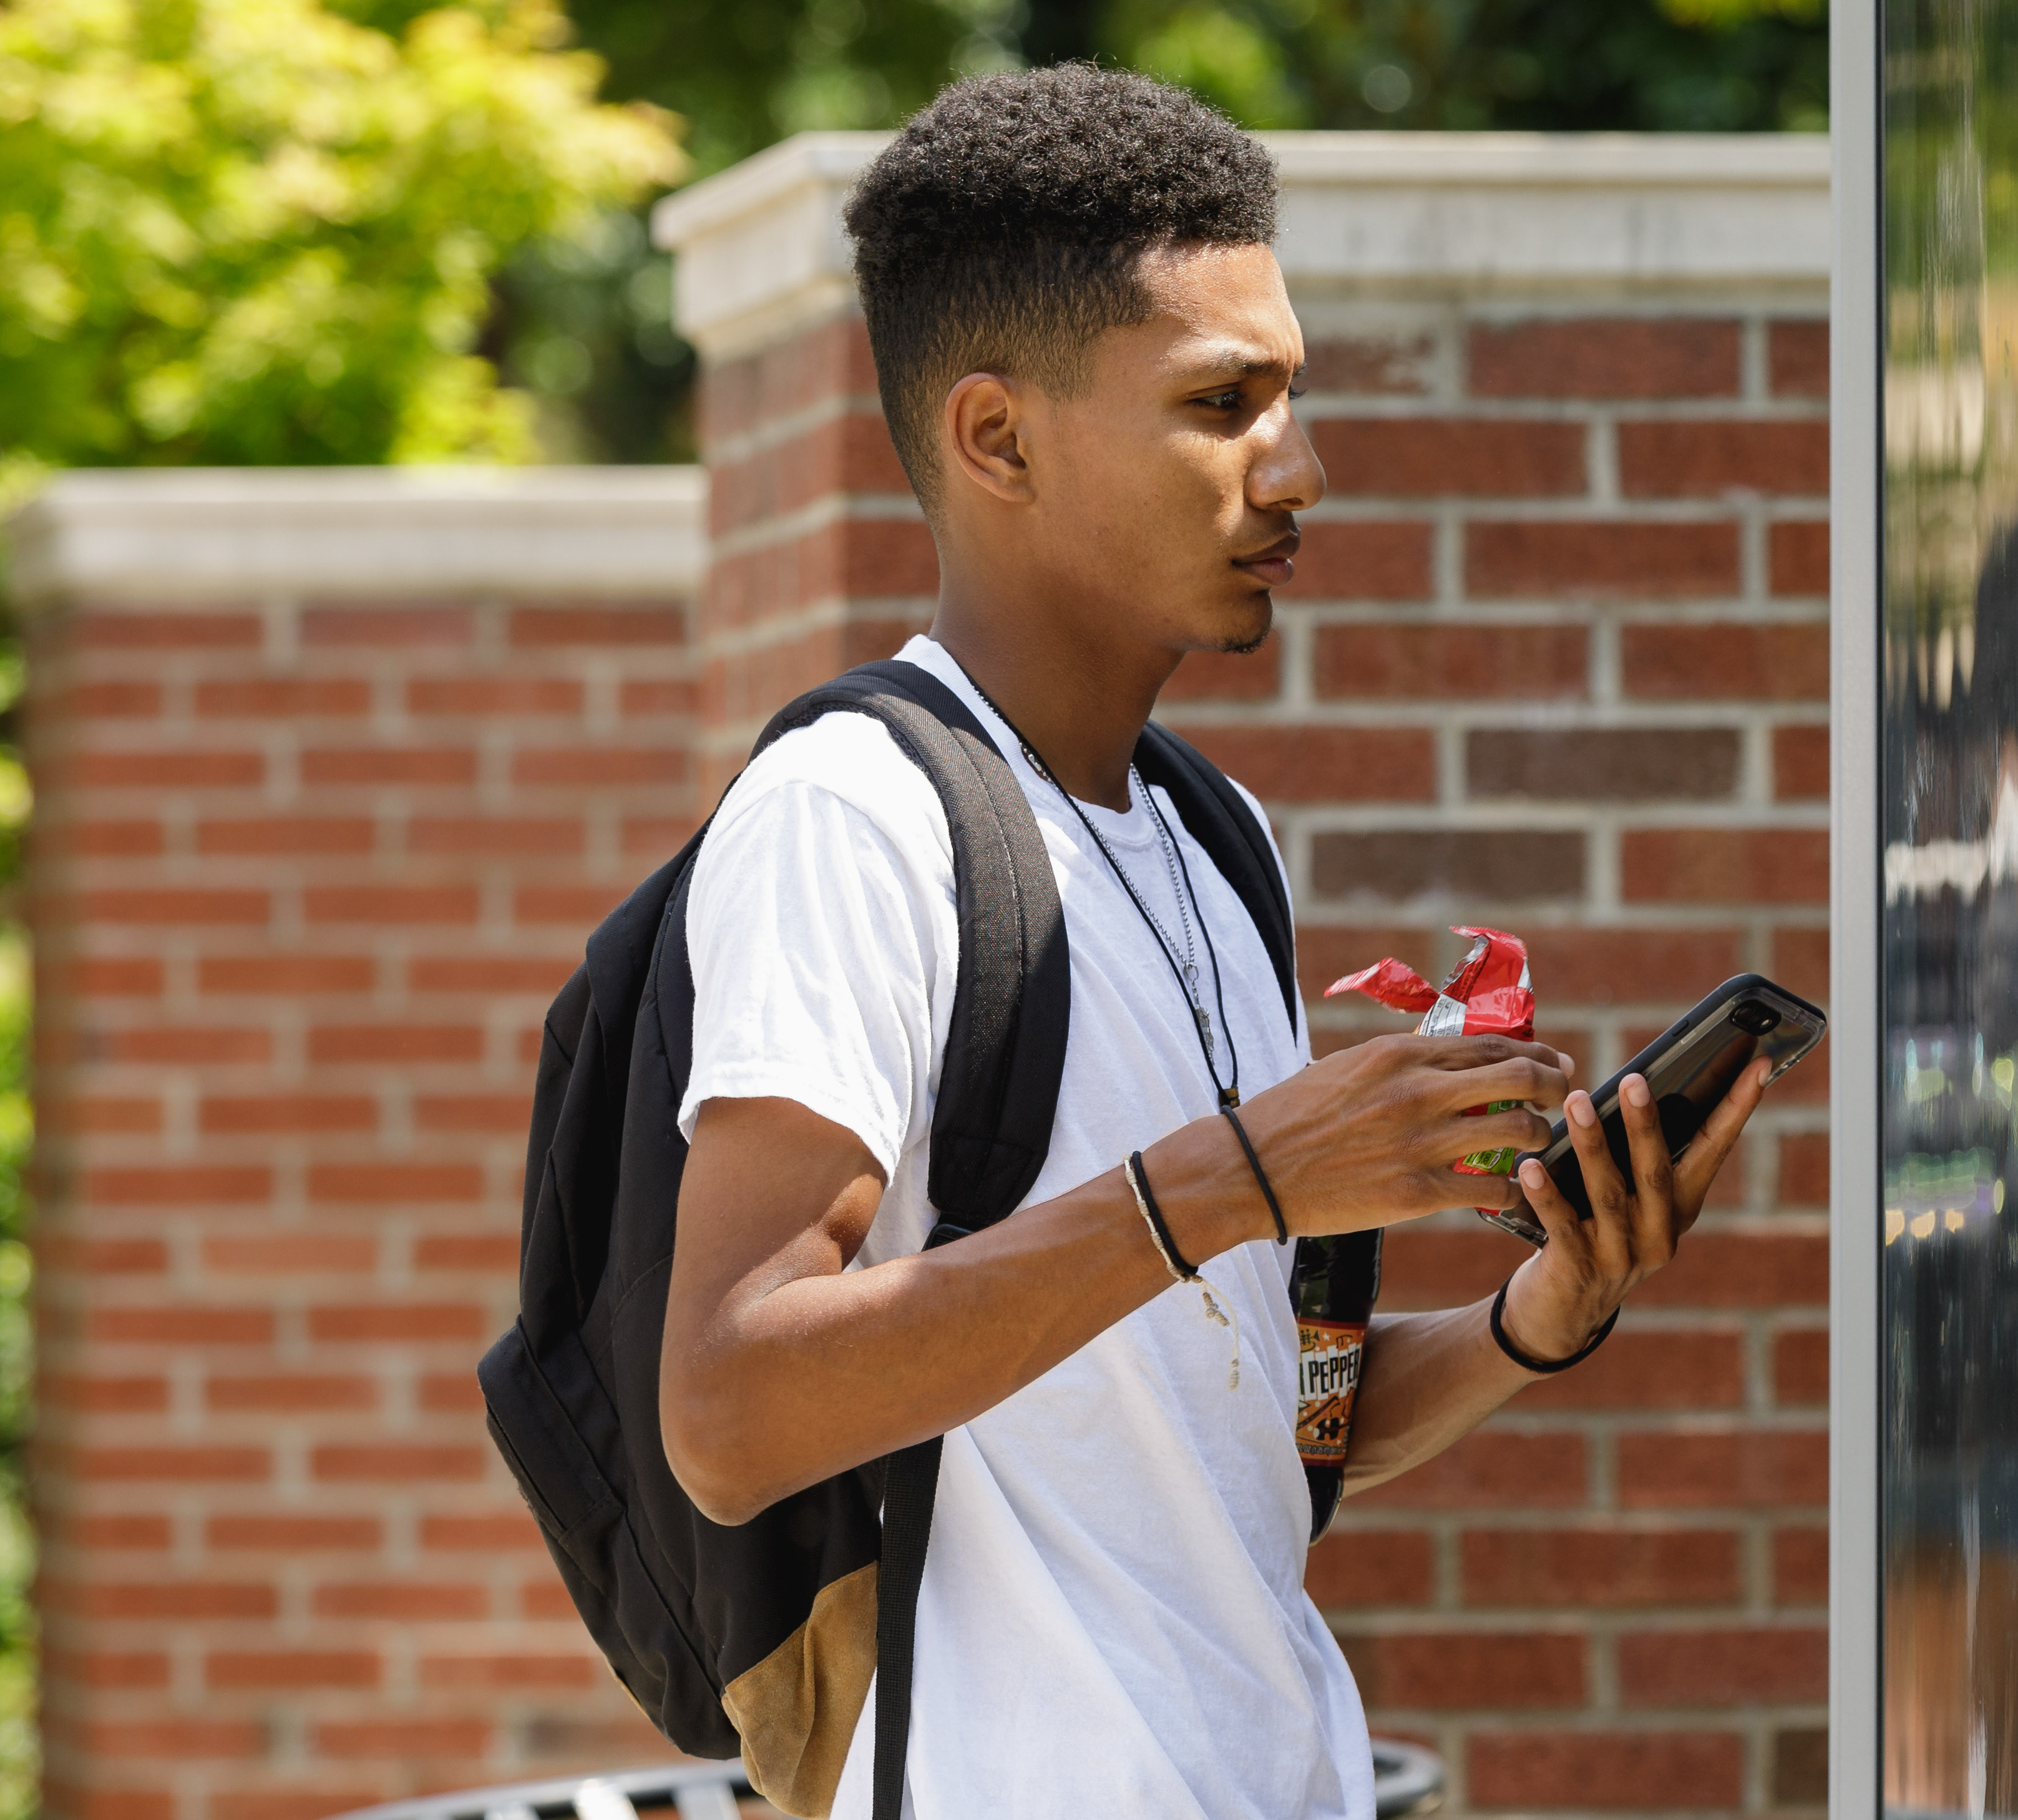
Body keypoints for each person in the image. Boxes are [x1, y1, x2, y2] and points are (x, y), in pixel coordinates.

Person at [651, 67, 1773, 1820]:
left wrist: (1549, 1307)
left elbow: (1268, 1436)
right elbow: (730, 1411)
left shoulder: (1216, 838)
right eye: (1222, 402)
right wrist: (1235, 1180)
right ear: (998, 439)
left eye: (1292, 397)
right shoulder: (852, 814)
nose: (1299, 467)